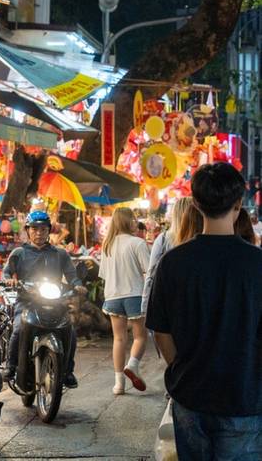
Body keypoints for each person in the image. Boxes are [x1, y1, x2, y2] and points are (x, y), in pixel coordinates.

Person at [147, 163, 262, 459]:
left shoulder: (173, 263)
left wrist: (181, 367)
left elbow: (161, 331)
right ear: (238, 204)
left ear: (196, 204)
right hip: (244, 397)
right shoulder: (257, 263)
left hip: (190, 396)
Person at [2, 210, 84, 388]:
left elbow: (72, 276)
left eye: (43, 229)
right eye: (35, 229)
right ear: (28, 230)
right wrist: (9, 279)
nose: (39, 233)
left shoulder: (60, 254)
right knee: (17, 328)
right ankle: (11, 366)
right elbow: (6, 272)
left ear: (49, 231)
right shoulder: (19, 253)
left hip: (55, 302)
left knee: (70, 331)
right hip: (27, 301)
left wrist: (78, 285)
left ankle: (68, 371)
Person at [99, 207, 150, 394]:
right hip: (135, 294)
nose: (136, 222)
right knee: (140, 336)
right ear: (126, 221)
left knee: (119, 339)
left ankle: (118, 384)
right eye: (134, 219)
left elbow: (103, 274)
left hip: (113, 296)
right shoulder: (137, 243)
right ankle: (133, 365)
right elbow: (149, 270)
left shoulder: (107, 245)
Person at [142, 197, 201, 316]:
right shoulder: (202, 240)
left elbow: (151, 273)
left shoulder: (163, 239)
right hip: (197, 302)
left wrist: (145, 304)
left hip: (168, 300)